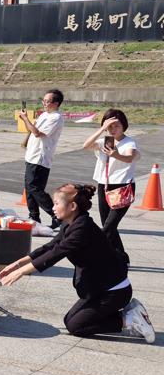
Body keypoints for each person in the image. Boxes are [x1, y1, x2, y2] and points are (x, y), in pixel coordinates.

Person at [0, 184, 154, 343]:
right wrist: (17, 264)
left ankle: (129, 320)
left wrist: (20, 273)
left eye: (57, 203)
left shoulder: (83, 229)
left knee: (76, 327)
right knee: (70, 320)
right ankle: (130, 312)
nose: (53, 207)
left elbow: (55, 254)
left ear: (72, 206)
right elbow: (50, 247)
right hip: (99, 287)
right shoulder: (70, 223)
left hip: (113, 291)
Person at [81, 109, 140, 265]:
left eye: (117, 126)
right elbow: (86, 146)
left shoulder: (130, 142)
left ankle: (96, 256)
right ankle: (122, 256)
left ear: (124, 126)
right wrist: (101, 129)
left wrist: (115, 155)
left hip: (123, 187)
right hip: (104, 186)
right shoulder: (105, 141)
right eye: (109, 126)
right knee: (107, 223)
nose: (113, 130)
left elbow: (129, 158)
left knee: (108, 225)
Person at [18, 89, 65, 229]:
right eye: (43, 101)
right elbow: (32, 130)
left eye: (47, 101)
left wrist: (26, 119)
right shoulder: (45, 114)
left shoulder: (56, 118)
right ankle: (34, 216)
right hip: (32, 155)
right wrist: (24, 119)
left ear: (56, 103)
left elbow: (38, 133)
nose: (44, 104)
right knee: (29, 188)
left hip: (41, 157)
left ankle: (56, 216)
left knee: (36, 188)